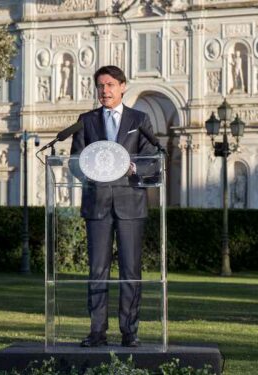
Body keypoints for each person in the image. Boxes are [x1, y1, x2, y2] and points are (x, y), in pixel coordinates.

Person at [70, 65, 156, 348]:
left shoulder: (140, 119)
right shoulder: (86, 120)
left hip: (130, 203)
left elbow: (151, 158)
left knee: (131, 270)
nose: (104, 91)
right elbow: (75, 161)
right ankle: (97, 331)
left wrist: (133, 167)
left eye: (109, 85)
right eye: (99, 86)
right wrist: (88, 169)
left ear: (122, 86)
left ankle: (129, 332)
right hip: (97, 205)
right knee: (97, 270)